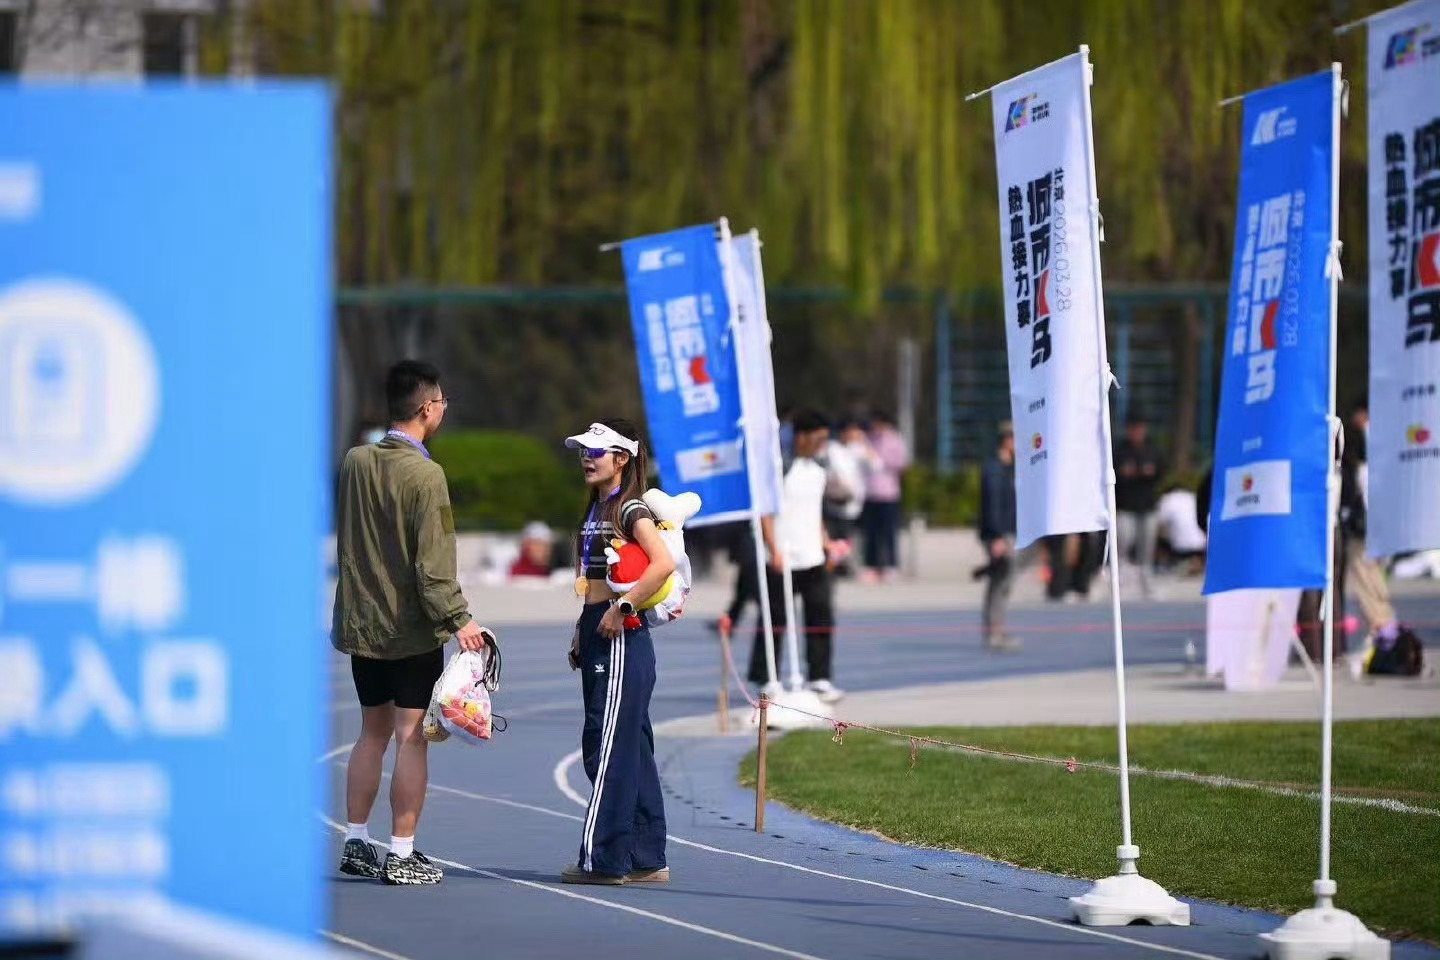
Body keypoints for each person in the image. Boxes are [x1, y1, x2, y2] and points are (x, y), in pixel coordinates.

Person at [332, 360, 490, 886]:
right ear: (427, 409)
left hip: (362, 625)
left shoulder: (355, 461)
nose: (443, 409)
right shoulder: (426, 475)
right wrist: (459, 618)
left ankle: (356, 841)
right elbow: (433, 565)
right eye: (441, 402)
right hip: (410, 630)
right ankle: (401, 852)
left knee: (370, 733)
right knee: (410, 737)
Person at [562, 419, 672, 885]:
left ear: (622, 458)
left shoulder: (630, 508)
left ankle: (605, 860)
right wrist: (582, 627)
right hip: (598, 628)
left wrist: (621, 607)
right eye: (583, 451)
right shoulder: (597, 506)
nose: (587, 458)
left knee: (604, 745)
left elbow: (662, 563)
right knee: (632, 746)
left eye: (596, 451)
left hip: (620, 635)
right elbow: (594, 580)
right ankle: (646, 857)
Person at [748, 408, 844, 702]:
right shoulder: (780, 469)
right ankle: (766, 677)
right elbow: (764, 512)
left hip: (813, 557)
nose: (822, 444)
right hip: (782, 557)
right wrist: (773, 549)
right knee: (775, 619)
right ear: (801, 436)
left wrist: (826, 543)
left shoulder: (818, 469)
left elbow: (815, 513)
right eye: (818, 438)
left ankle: (820, 677)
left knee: (821, 616)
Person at [978, 422, 1020, 651]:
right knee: (1000, 582)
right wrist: (997, 537)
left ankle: (996, 629)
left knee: (1002, 582)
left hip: (1007, 532)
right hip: (1000, 534)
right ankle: (994, 630)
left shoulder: (1009, 467)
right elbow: (993, 505)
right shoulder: (995, 469)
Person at [1114, 410, 1164, 598]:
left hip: (1147, 505)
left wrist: (1149, 472)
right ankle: (1119, 576)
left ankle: (1146, 581)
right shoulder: (1120, 451)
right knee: (1124, 538)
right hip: (1126, 505)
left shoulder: (1152, 449)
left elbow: (1161, 471)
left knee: (1147, 545)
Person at [860, 410, 910, 582]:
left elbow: (902, 465)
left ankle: (891, 565)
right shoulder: (868, 440)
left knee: (889, 532)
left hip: (889, 494)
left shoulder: (895, 440)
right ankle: (871, 566)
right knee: (871, 533)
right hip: (870, 493)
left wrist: (881, 461)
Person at [822, 421, 867, 575]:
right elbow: (834, 470)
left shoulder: (858, 448)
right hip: (835, 500)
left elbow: (876, 465)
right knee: (835, 534)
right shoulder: (832, 448)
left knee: (847, 536)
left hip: (853, 502)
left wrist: (865, 442)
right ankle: (833, 565)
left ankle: (843, 564)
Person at [1154, 483, 1207, 575]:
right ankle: (1197, 561)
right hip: (1202, 545)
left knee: (1156, 534)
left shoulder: (1167, 499)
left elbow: (1159, 523)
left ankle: (1164, 563)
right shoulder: (1192, 496)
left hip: (1180, 548)